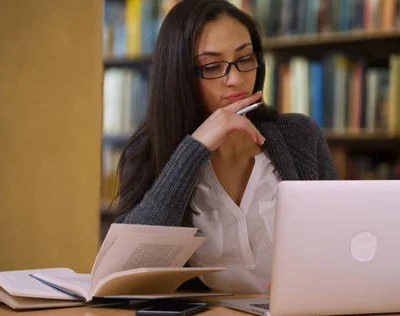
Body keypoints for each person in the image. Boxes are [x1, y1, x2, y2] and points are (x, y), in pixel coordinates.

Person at [111, 0, 338, 294]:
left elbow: (338, 240)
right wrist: (194, 149)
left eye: (245, 59)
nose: (236, 79)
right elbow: (124, 272)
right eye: (212, 66)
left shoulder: (299, 135)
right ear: (179, 74)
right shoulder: (148, 150)